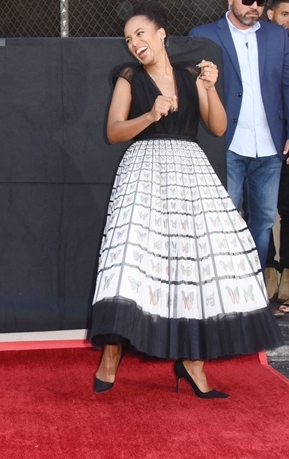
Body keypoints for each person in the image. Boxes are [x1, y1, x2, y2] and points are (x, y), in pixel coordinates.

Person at [89, 0, 284, 400]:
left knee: (196, 265)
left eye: (140, 33)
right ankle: (111, 354)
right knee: (133, 262)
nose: (134, 43)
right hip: (143, 169)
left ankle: (192, 363)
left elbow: (217, 127)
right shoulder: (128, 77)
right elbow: (113, 132)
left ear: (161, 34)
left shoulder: (192, 75)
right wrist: (150, 115)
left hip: (190, 170)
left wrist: (210, 89)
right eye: (128, 39)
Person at [189, 1, 289, 280]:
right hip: (225, 143)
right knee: (224, 220)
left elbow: (287, 83)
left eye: (259, 1)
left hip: (270, 144)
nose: (254, 6)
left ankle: (252, 286)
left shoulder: (277, 35)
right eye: (247, 1)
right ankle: (224, 285)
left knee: (264, 221)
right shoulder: (203, 35)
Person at [264, 0, 289, 310]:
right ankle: (268, 273)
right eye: (285, 14)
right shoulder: (263, 46)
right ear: (271, 15)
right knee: (262, 213)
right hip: (264, 142)